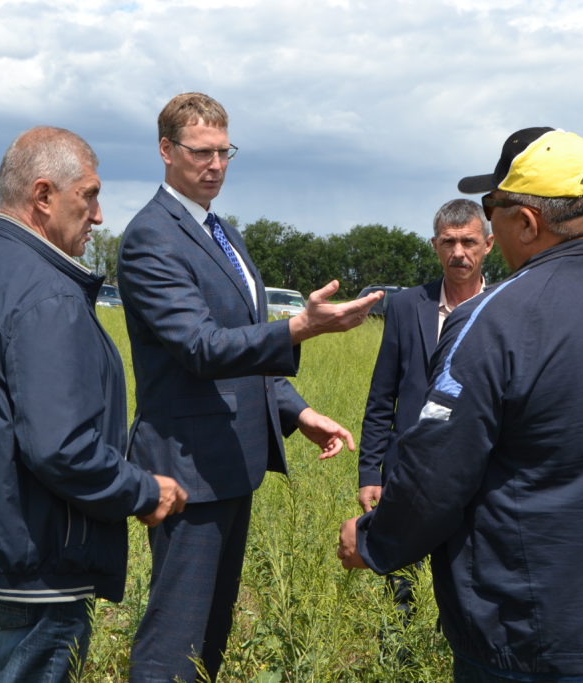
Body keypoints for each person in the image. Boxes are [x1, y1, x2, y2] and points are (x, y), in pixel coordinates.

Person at [337, 127, 583, 681]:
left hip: (526, 637)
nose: (488, 225)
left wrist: (372, 541)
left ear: (525, 222)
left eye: (493, 210)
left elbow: (436, 475)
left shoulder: (494, 318)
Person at [117, 92, 382, 683]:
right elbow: (200, 347)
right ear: (166, 150)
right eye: (200, 152)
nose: (215, 165)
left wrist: (296, 411)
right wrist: (299, 327)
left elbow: (238, 343)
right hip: (186, 470)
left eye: (224, 152)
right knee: (175, 637)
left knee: (210, 632)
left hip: (230, 462)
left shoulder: (220, 230)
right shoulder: (151, 238)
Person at [0, 126, 187, 681]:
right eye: (88, 195)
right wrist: (143, 490)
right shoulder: (48, 297)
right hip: (40, 559)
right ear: (43, 196)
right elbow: (61, 448)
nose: (97, 216)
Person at [357, 198, 492, 631]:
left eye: (469, 242)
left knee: (466, 586)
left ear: (488, 245)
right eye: (449, 242)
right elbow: (383, 397)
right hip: (407, 474)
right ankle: (397, 662)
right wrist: (370, 474)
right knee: (401, 590)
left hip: (477, 476)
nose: (459, 253)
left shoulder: (504, 308)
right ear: (434, 245)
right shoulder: (405, 307)